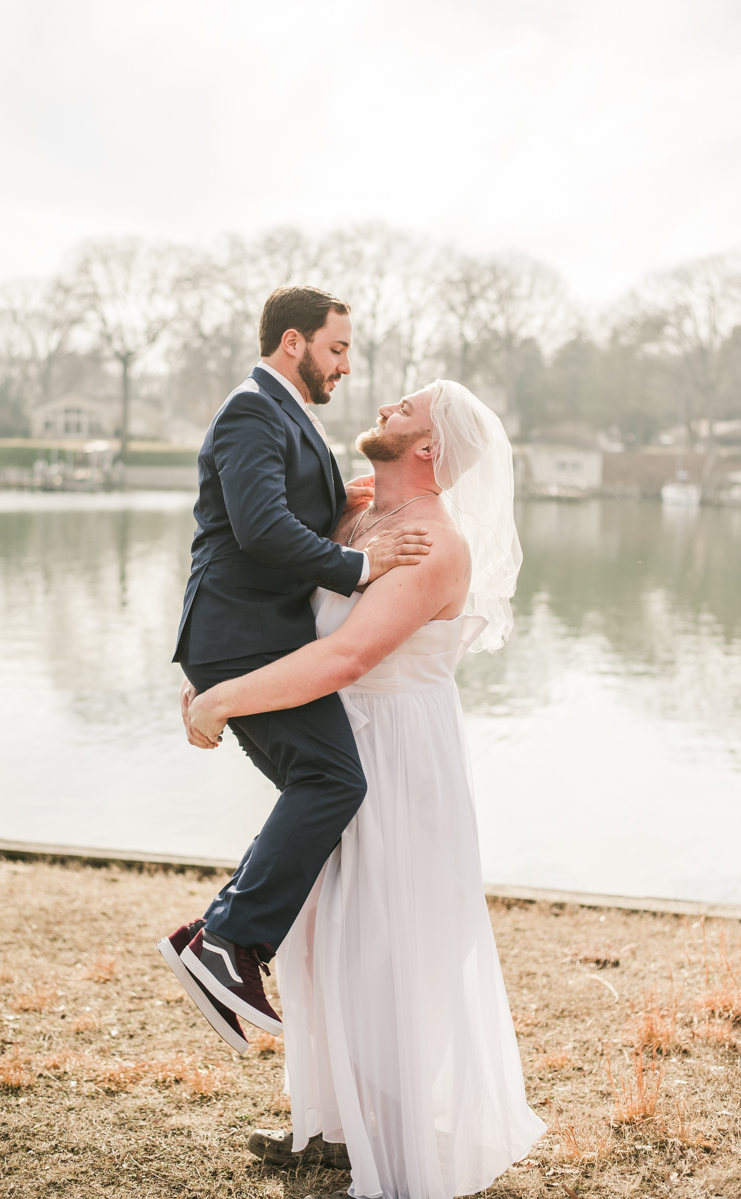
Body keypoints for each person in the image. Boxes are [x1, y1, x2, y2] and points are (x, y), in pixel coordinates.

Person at [187, 380, 546, 1199]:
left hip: (394, 756)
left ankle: (393, 1144)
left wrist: (222, 701)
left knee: (380, 944)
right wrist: (212, 671)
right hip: (329, 748)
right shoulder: (355, 515)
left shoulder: (431, 544)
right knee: (316, 940)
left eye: (408, 407)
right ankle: (328, 1124)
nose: (387, 404)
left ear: (429, 448)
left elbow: (347, 657)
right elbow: (267, 592)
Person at [158, 286, 433, 1055]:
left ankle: (219, 934)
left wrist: (353, 502)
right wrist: (360, 562)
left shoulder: (283, 412)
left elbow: (286, 511)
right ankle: (227, 940)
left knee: (316, 785)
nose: (346, 365)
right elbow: (259, 525)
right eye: (337, 348)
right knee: (332, 781)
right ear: (292, 343)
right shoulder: (252, 409)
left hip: (245, 638)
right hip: (243, 636)